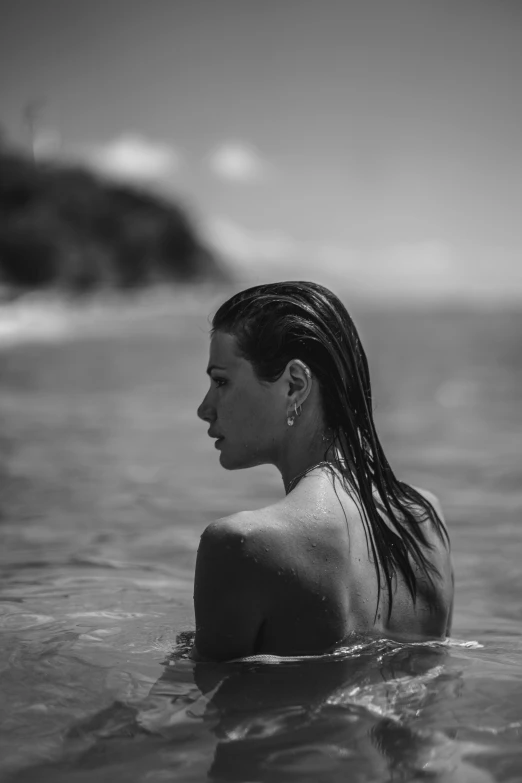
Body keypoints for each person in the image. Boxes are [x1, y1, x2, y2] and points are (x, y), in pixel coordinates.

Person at [194, 281, 454, 661]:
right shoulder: (424, 521)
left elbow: (201, 709)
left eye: (221, 381)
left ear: (294, 385)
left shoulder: (243, 545)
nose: (205, 407)